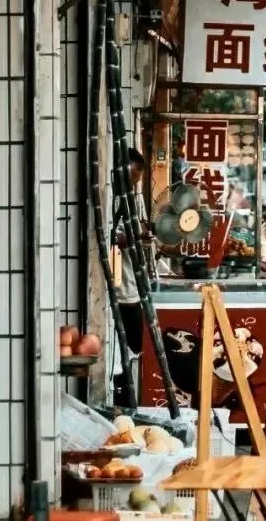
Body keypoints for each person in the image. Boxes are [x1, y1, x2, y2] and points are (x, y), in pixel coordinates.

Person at [113, 148, 148, 405]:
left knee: (136, 348)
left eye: (135, 182)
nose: (131, 187)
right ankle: (123, 395)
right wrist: (133, 237)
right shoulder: (111, 199)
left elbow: (141, 227)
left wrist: (143, 233)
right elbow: (112, 237)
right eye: (129, 179)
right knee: (125, 349)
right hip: (120, 289)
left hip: (133, 285)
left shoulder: (134, 199)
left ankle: (131, 396)